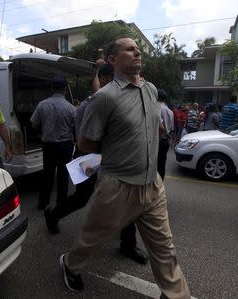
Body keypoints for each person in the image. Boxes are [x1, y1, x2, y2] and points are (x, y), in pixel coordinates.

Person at [59, 38, 191, 298]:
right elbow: (85, 142)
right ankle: (70, 264)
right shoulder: (104, 98)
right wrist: (117, 145)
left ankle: (177, 295)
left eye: (138, 49)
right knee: (92, 238)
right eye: (130, 49)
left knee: (165, 248)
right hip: (117, 185)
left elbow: (150, 125)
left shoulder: (151, 89)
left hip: (152, 184)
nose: (137, 52)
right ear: (112, 60)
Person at [45, 63, 148, 265]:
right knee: (82, 198)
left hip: (114, 160)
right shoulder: (92, 103)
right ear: (107, 80)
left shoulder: (121, 101)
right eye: (121, 78)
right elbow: (85, 139)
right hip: (90, 158)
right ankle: (54, 213)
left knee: (127, 199)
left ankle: (127, 245)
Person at [30, 76, 75, 217]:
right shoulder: (71, 108)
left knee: (47, 174)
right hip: (65, 145)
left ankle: (42, 203)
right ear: (65, 90)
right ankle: (61, 204)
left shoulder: (42, 105)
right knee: (63, 176)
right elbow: (76, 128)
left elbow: (34, 124)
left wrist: (42, 133)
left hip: (48, 145)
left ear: (52, 88)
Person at [157, 89, 174, 180]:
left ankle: (154, 188)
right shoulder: (170, 111)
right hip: (165, 141)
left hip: (157, 141)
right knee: (162, 164)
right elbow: (171, 129)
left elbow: (159, 126)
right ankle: (160, 185)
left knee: (154, 166)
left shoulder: (156, 107)